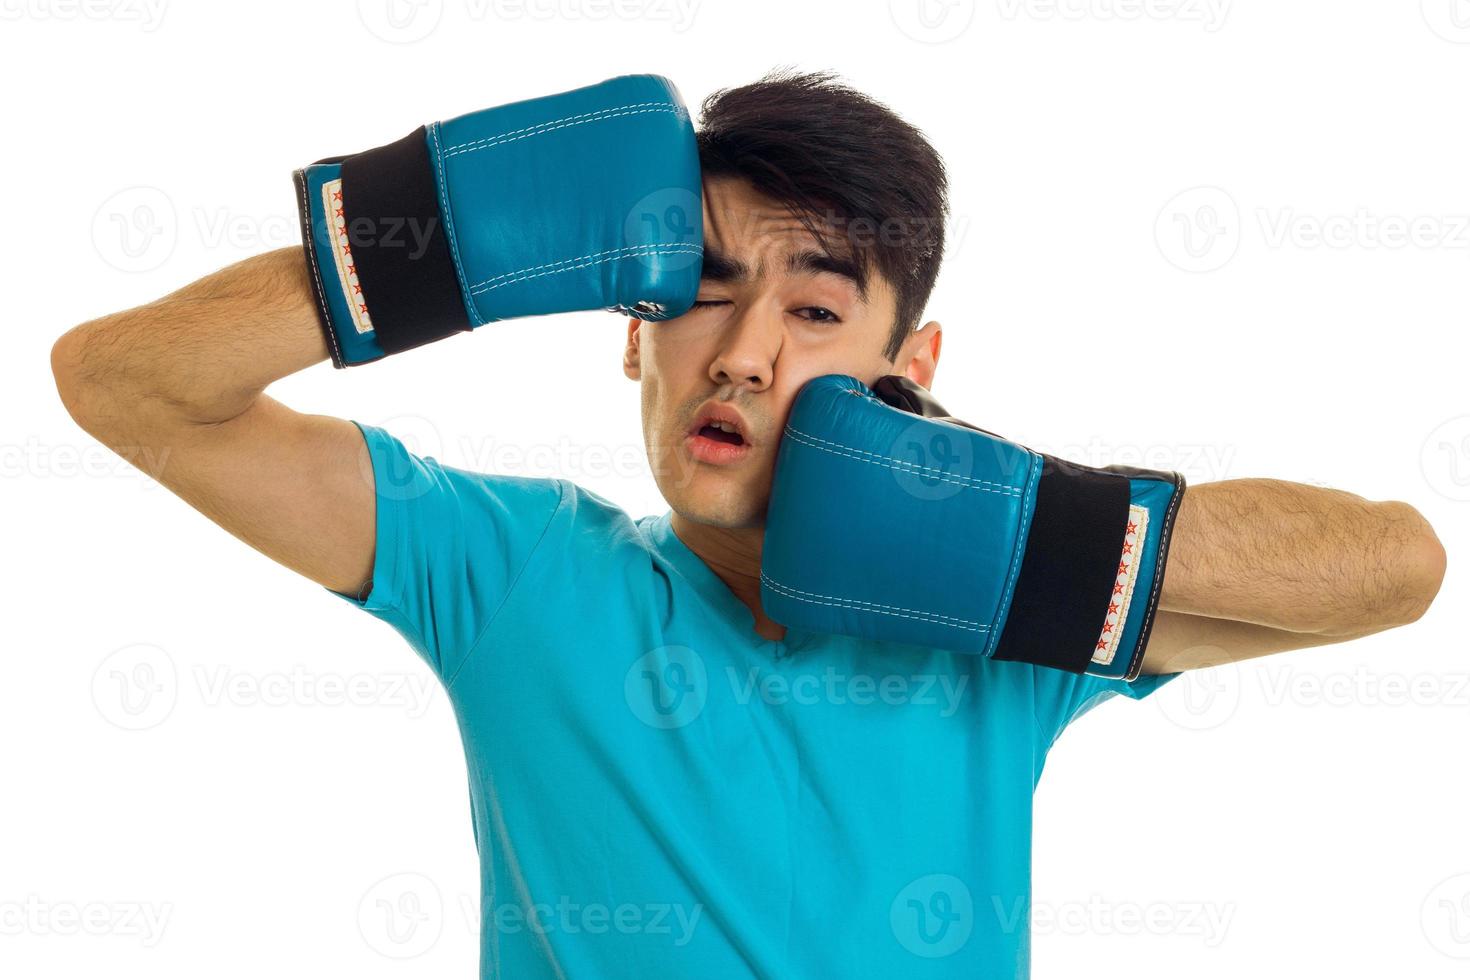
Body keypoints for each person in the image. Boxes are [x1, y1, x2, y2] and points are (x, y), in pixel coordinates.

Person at [51, 70, 1446, 978]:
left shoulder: (993, 637)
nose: (741, 355)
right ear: (629, 338)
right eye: (700, 294)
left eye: (816, 312)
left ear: (912, 366)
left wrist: (1005, 521)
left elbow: (1396, 569)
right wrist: (441, 242)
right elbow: (129, 387)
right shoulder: (514, 573)